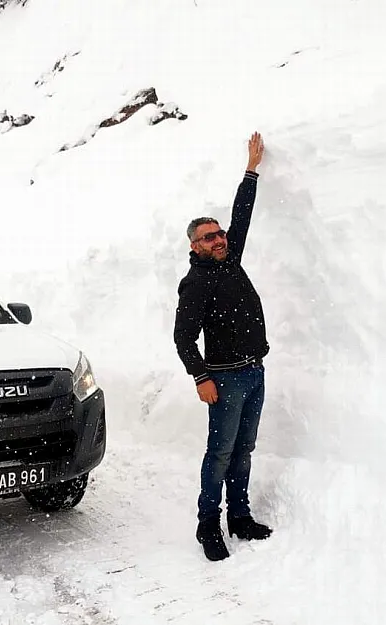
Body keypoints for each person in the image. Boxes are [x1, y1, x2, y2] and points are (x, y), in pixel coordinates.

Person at [173, 132, 273, 561]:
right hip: (226, 379)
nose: (219, 240)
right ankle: (207, 526)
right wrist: (201, 377)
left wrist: (250, 170)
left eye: (219, 234)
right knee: (219, 454)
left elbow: (243, 215)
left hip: (254, 372)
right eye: (209, 237)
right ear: (194, 246)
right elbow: (182, 337)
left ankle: (240, 517)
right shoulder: (195, 283)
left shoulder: (230, 259)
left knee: (244, 450)